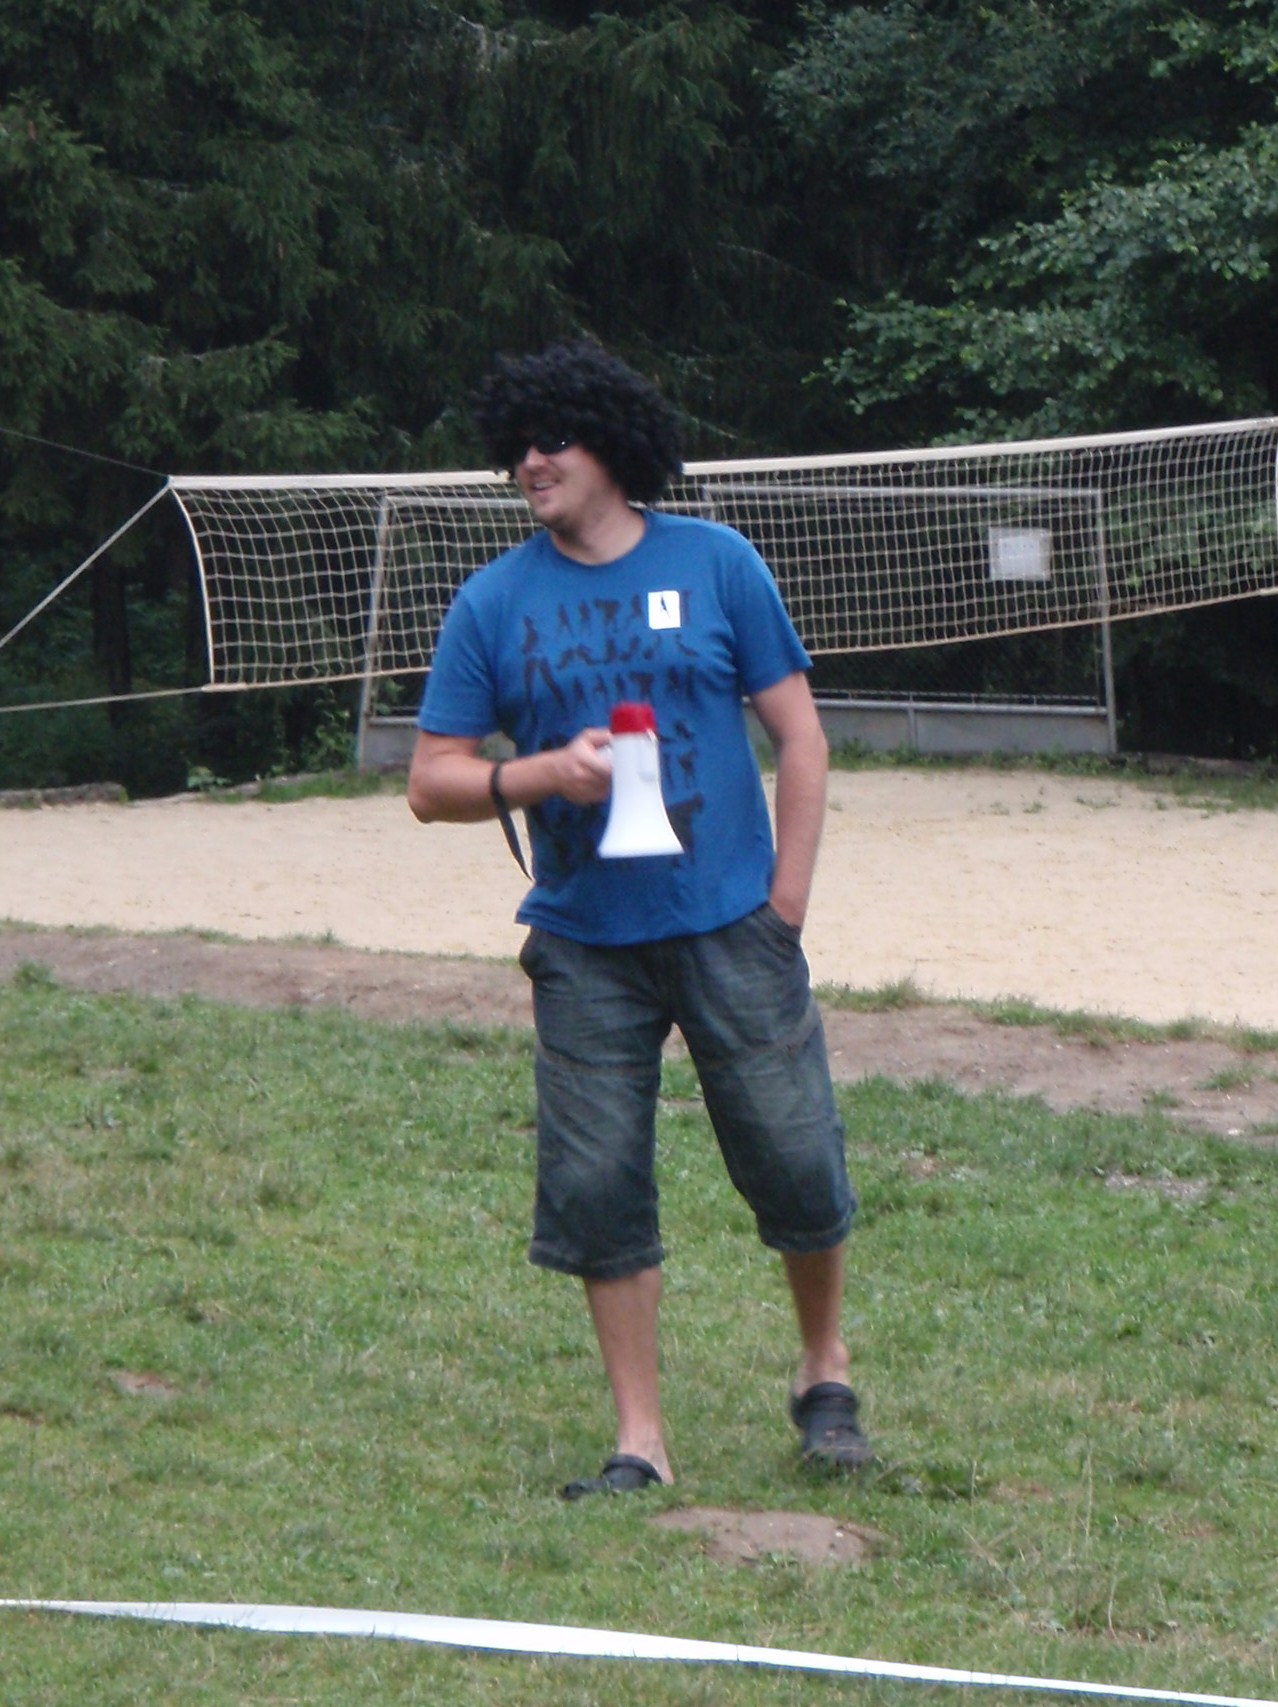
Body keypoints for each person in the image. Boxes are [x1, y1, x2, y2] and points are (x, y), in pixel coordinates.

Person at [407, 339, 871, 1497]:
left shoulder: (716, 563)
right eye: (518, 446)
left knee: (795, 1156)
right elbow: (431, 781)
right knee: (597, 1183)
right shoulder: (493, 601)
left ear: (612, 445)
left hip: (732, 925)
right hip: (582, 943)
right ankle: (640, 1441)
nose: (532, 461)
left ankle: (824, 1372)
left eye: (554, 440)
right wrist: (539, 776)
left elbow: (802, 737)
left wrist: (785, 902)